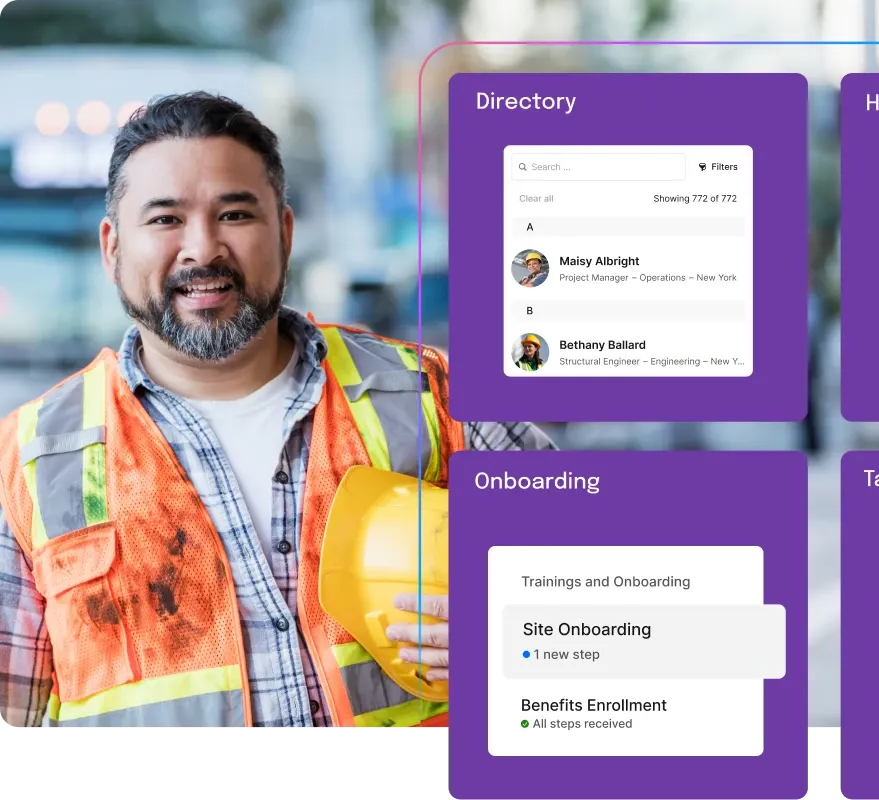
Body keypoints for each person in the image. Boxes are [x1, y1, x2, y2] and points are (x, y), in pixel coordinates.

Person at [0, 92, 556, 729]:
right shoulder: (28, 463)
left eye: (235, 214)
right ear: (112, 248)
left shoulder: (436, 397)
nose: (203, 249)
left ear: (286, 234)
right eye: (165, 219)